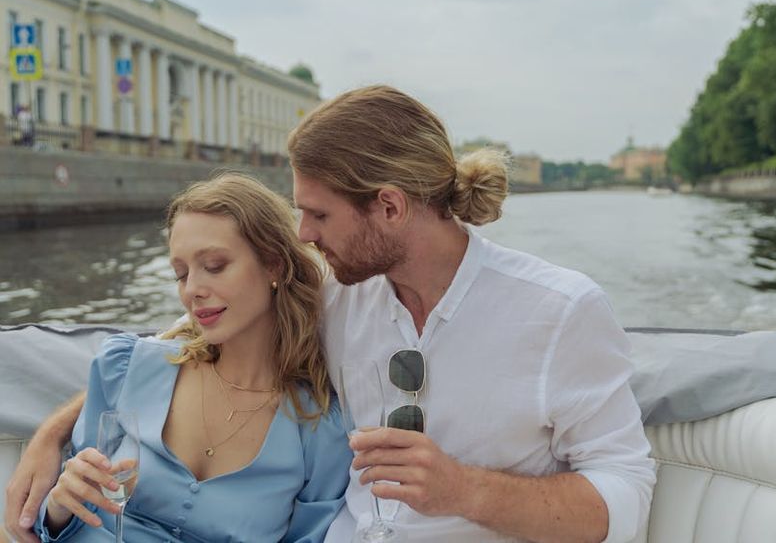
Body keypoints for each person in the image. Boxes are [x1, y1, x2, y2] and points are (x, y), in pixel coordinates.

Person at [6, 85, 655, 543]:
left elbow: (627, 492)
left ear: (389, 207)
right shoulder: (337, 293)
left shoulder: (560, 311)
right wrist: (53, 434)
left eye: (318, 214)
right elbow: (187, 339)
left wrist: (465, 490)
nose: (304, 235)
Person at [25, 173, 351, 542]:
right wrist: (58, 509)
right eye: (181, 274)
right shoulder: (127, 368)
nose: (192, 289)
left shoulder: (319, 428)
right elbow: (64, 512)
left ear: (273, 264)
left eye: (214, 266)